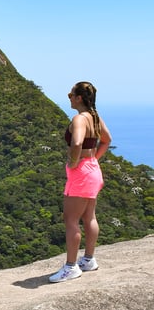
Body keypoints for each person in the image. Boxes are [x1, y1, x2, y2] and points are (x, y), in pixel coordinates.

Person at [49, 81, 112, 283]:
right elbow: (107, 140)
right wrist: (93, 159)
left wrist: (74, 162)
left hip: (81, 173)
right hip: (93, 170)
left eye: (71, 95)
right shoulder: (95, 117)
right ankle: (88, 260)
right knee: (89, 216)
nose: (69, 98)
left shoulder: (79, 119)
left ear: (78, 98)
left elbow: (77, 142)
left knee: (71, 220)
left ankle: (71, 267)